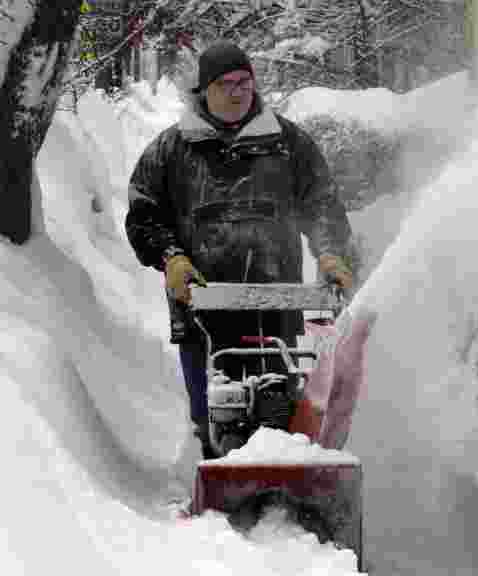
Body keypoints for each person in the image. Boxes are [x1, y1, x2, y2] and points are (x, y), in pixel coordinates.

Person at [125, 41, 354, 459]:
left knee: (283, 415)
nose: (238, 91)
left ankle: (285, 493)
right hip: (201, 310)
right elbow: (144, 215)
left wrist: (330, 253)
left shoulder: (287, 143)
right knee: (211, 416)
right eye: (226, 83)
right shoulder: (171, 150)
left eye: (245, 82)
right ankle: (214, 482)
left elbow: (322, 203)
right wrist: (171, 257)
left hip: (276, 305)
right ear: (203, 90)